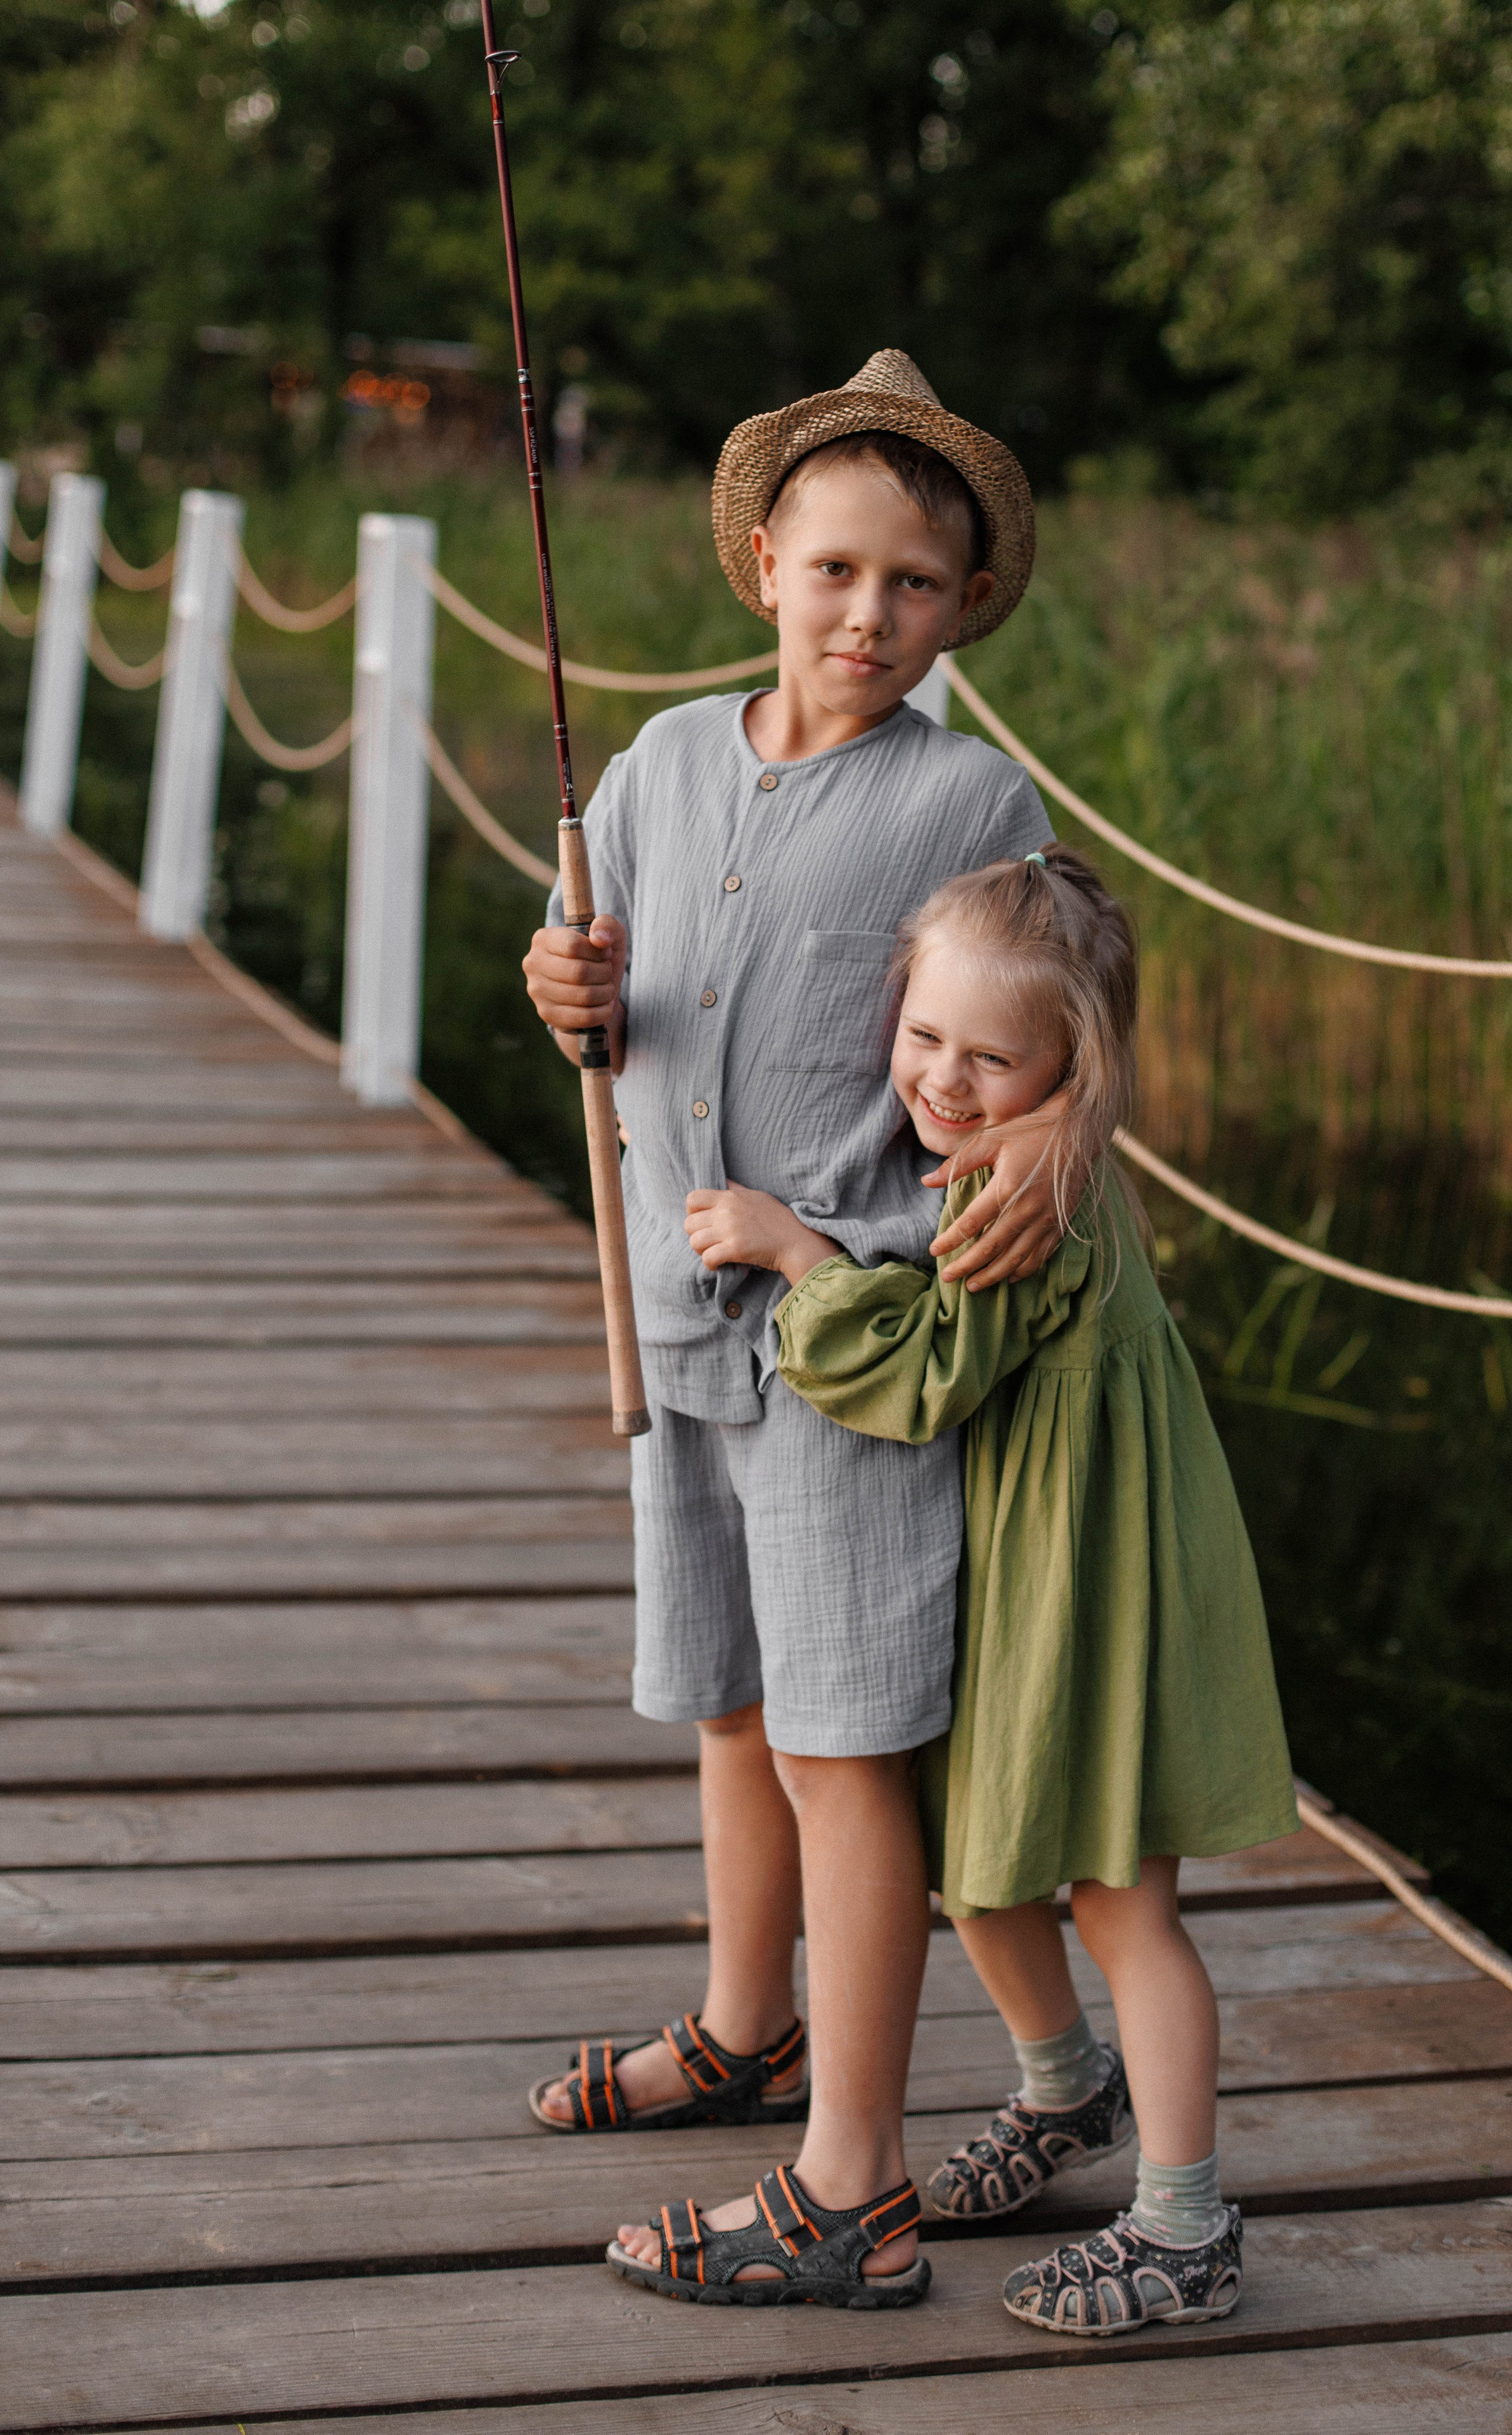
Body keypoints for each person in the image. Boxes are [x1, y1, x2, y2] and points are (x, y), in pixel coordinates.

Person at [520, 351, 1063, 2307]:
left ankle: (860, 2182)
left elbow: (1048, 1042)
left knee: (847, 1750)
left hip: (852, 1349)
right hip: (675, 1328)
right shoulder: (659, 762)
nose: (870, 617)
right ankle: (744, 2033)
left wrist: (977, 1196)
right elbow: (605, 1000)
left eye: (916, 589)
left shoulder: (969, 796)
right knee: (734, 1706)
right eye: (836, 571)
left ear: (961, 606)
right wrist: (565, 981)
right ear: (766, 560)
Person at [678, 845, 1300, 2336]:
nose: (944, 1083)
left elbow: (920, 1371)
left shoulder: (1029, 1198)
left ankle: (1185, 2226)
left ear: (1069, 1072)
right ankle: (1063, 2089)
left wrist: (795, 1250)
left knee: (1117, 1892)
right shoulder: (999, 1155)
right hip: (1038, 1557)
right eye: (922, 1039)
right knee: (980, 1849)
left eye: (993, 1059)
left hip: (1101, 1581)